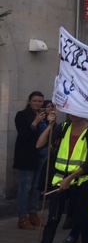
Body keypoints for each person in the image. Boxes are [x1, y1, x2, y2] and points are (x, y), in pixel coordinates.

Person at [20, 113, 88, 243]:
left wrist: (70, 178)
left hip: (81, 181)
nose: (72, 113)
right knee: (53, 219)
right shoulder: (62, 127)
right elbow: (39, 144)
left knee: (81, 216)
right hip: (59, 179)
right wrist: (50, 126)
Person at [13, 91, 47, 230]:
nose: (37, 103)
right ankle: (22, 217)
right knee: (25, 187)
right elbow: (24, 135)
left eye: (40, 101)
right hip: (27, 156)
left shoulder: (43, 116)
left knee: (35, 187)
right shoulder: (21, 115)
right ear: (29, 101)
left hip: (40, 154)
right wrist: (35, 122)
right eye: (35, 101)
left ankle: (33, 213)